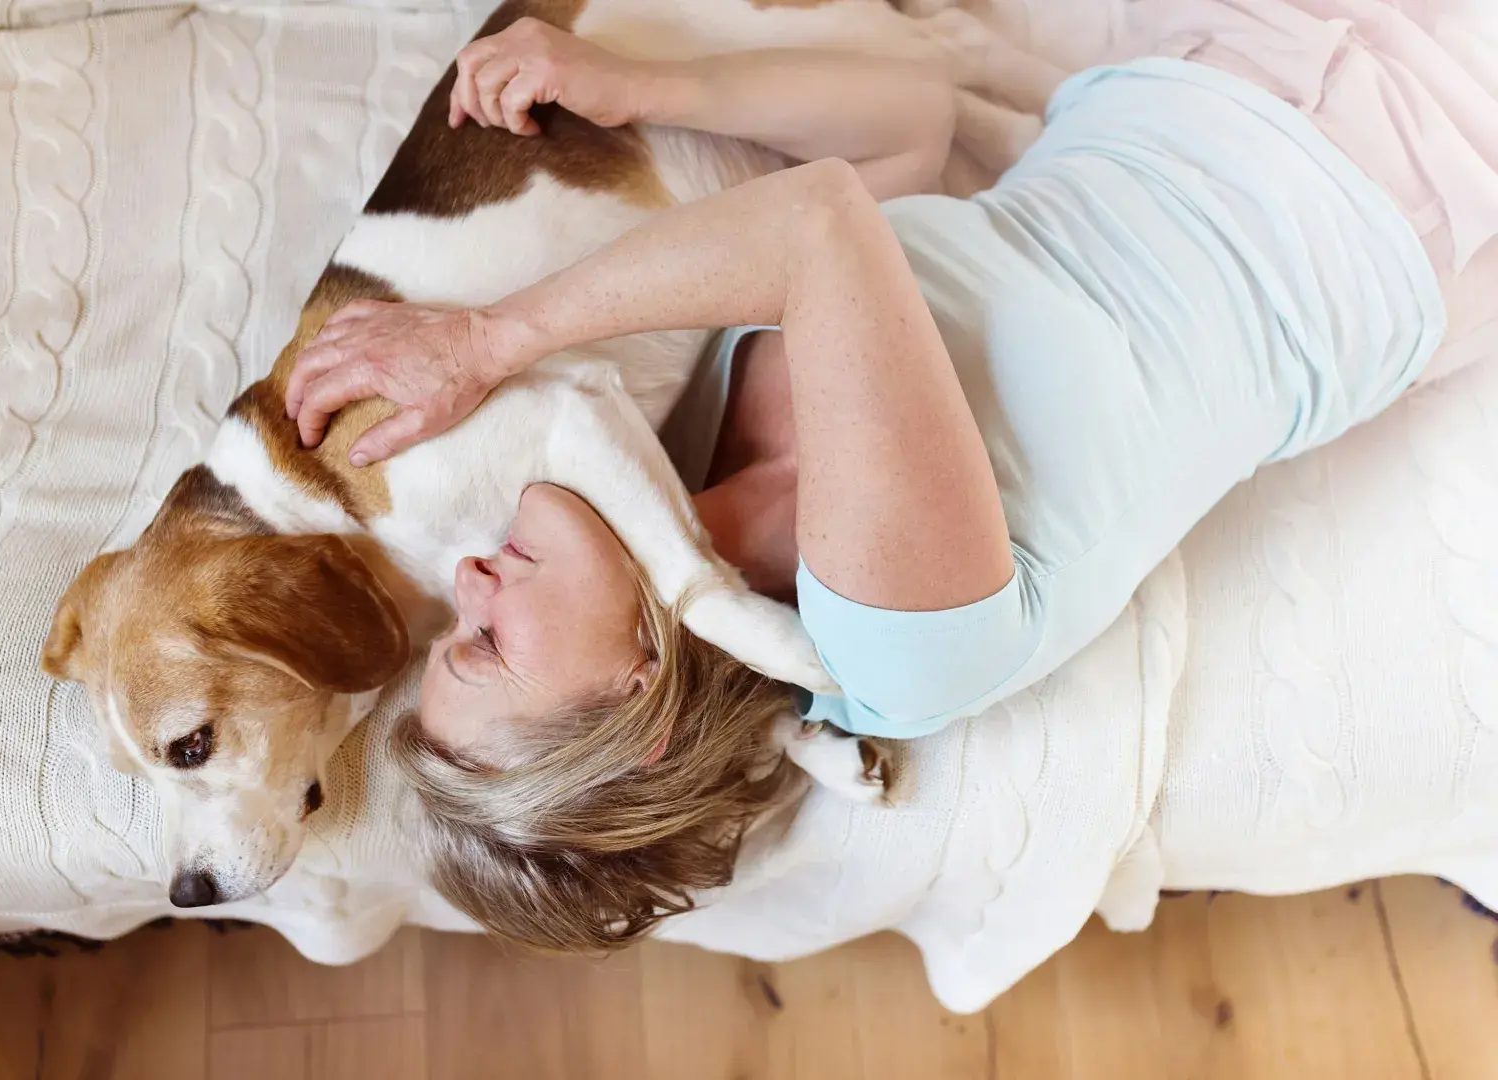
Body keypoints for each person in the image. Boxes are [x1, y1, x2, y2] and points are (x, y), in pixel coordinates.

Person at [284, 2, 1498, 951]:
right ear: (637, 705)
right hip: (1388, 185)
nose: (470, 575)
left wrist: (637, 88)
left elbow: (907, 127)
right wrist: (488, 338)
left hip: (1200, 71)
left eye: (453, 623)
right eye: (487, 645)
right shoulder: (888, 639)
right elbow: (819, 226)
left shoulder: (705, 421)